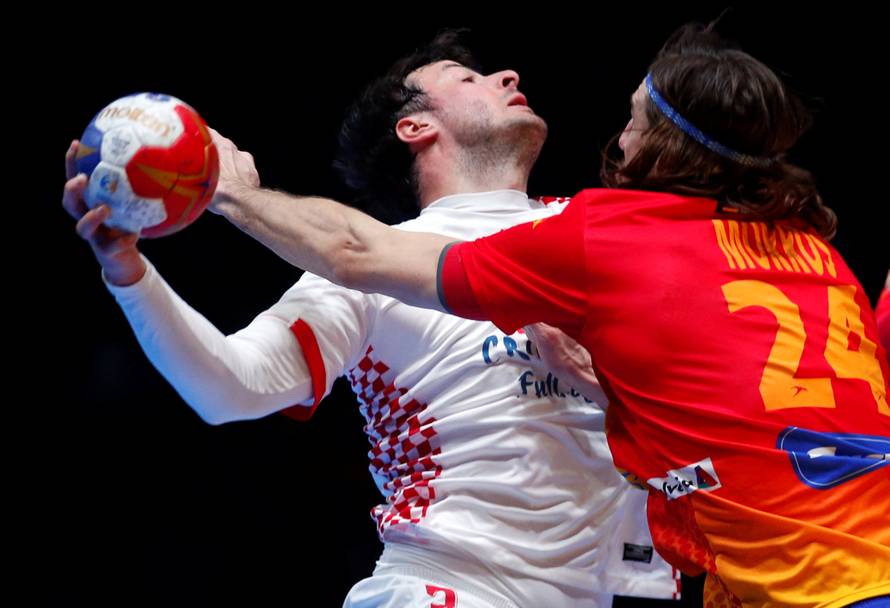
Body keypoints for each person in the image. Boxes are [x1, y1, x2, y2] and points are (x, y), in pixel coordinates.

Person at [190, 22, 890, 607]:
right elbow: (717, 427)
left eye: (632, 121)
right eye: (469, 77)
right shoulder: (817, 257)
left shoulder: (601, 236)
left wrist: (233, 195)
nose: (620, 141)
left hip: (804, 582)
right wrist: (601, 387)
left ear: (662, 148)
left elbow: (353, 249)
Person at [63, 32, 678, 607]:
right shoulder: (366, 271)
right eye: (468, 78)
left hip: (620, 589)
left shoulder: (603, 228)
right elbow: (228, 387)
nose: (508, 76)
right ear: (415, 126)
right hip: (453, 587)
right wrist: (128, 272)